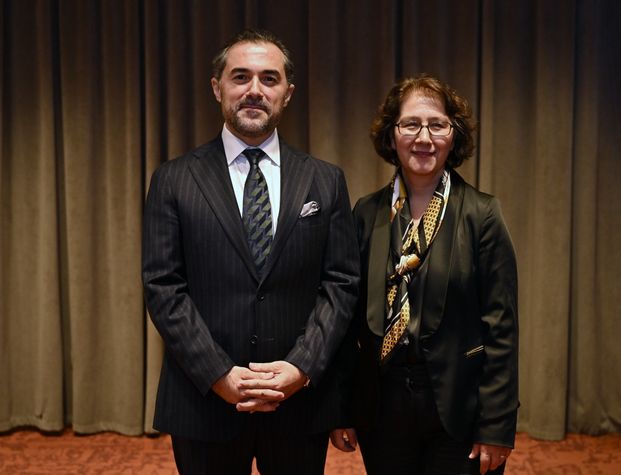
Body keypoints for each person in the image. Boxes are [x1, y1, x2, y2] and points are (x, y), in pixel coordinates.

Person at [142, 29, 359, 475]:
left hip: (298, 403)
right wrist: (218, 374)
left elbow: (340, 284)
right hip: (204, 402)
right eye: (240, 77)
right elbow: (164, 287)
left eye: (269, 78)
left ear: (288, 93)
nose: (255, 90)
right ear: (217, 87)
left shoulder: (325, 180)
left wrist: (301, 367)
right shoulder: (173, 180)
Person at [331, 75, 519, 475]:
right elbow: (347, 322)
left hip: (459, 407)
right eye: (411, 124)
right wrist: (342, 407)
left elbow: (501, 329)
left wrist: (497, 424)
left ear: (454, 135)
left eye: (437, 125)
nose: (424, 138)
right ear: (391, 134)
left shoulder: (482, 215)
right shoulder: (366, 213)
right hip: (382, 408)